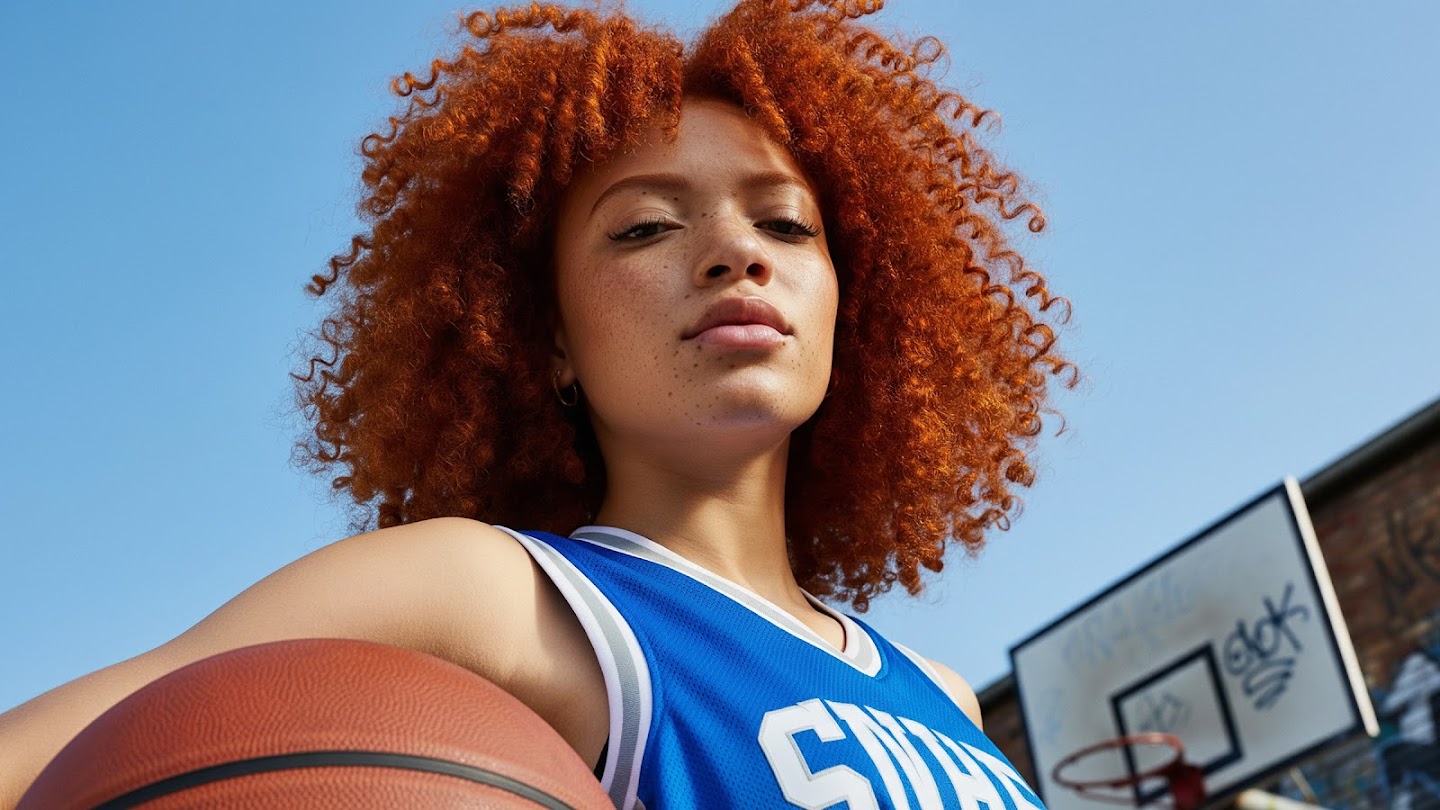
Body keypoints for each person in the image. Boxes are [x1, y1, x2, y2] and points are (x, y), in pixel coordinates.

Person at [0, 0, 1072, 806]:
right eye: (647, 227)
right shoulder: (500, 595)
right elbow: (64, 752)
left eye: (787, 227)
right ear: (547, 340)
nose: (736, 253)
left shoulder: (946, 697)